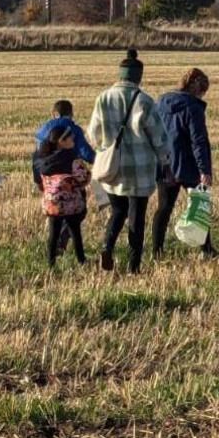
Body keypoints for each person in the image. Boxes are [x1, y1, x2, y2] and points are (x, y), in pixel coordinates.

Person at [88, 49, 170, 273]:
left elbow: (93, 133)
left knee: (117, 211)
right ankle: (133, 266)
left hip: (113, 169)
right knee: (137, 218)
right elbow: (159, 137)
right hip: (140, 170)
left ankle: (107, 246)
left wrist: (105, 148)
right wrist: (165, 158)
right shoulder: (144, 100)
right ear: (138, 76)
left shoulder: (103, 98)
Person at [152, 68, 215, 258]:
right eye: (203, 90)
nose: (202, 94)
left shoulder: (161, 102)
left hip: (165, 163)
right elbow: (198, 141)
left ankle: (157, 250)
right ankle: (206, 249)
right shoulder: (193, 108)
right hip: (188, 164)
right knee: (199, 204)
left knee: (164, 208)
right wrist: (204, 169)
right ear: (197, 88)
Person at [34, 124, 91, 267]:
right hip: (70, 203)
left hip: (51, 203)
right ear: (61, 141)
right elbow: (83, 177)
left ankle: (50, 263)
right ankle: (81, 260)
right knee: (75, 232)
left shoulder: (42, 159)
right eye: (69, 137)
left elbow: (39, 178)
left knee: (53, 234)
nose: (72, 138)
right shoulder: (71, 158)